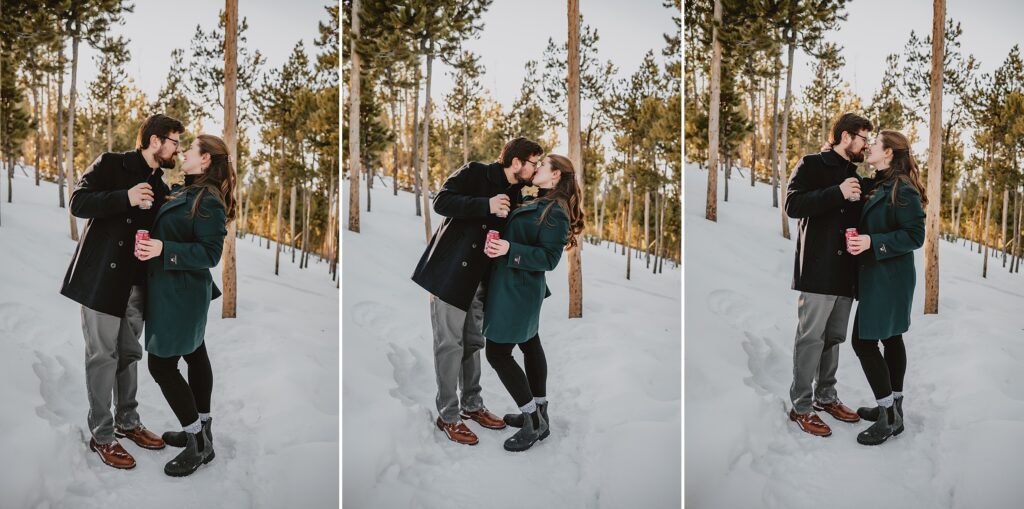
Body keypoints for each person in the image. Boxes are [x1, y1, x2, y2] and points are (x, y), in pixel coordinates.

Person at [60, 114, 183, 469]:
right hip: (100, 281)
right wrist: (124, 197)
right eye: (174, 142)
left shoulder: (161, 186)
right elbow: (78, 202)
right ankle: (102, 435)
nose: (177, 150)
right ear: (155, 141)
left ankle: (128, 422)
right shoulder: (111, 164)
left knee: (129, 354)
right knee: (102, 357)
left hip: (137, 286)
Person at [411, 137, 542, 445]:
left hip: (481, 282)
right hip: (449, 276)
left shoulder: (517, 193)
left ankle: (472, 404)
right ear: (516, 162)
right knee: (449, 346)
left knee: (472, 343)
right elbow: (441, 201)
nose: (535, 169)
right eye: (533, 163)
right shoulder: (475, 172)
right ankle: (448, 415)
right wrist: (486, 204)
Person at [136, 134, 235, 475]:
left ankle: (198, 443)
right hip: (174, 291)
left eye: (190, 149)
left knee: (161, 366)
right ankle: (202, 428)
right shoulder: (186, 190)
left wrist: (164, 249)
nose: (184, 152)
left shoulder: (209, 200)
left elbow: (210, 254)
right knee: (195, 353)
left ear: (205, 159)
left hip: (182, 295)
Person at [482, 154, 584, 452]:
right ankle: (540, 411)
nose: (536, 168)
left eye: (543, 165)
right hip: (514, 286)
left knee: (498, 353)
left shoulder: (556, 210)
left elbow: (549, 258)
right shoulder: (538, 200)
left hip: (519, 291)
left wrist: (509, 249)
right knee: (530, 343)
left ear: (556, 175)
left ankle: (533, 420)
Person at [784, 112, 874, 437]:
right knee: (810, 338)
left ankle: (825, 396)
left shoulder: (856, 177)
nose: (867, 145)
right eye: (864, 138)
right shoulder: (811, 164)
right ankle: (801, 406)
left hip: (845, 274)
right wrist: (837, 192)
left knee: (833, 338)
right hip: (818, 271)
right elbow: (792, 205)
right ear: (846, 136)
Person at [846, 130, 926, 446]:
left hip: (890, 278)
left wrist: (873, 242)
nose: (869, 148)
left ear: (889, 152)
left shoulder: (902, 188)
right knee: (891, 338)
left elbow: (915, 236)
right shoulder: (879, 183)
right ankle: (895, 408)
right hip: (879, 276)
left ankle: (888, 414)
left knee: (863, 342)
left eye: (875, 144)